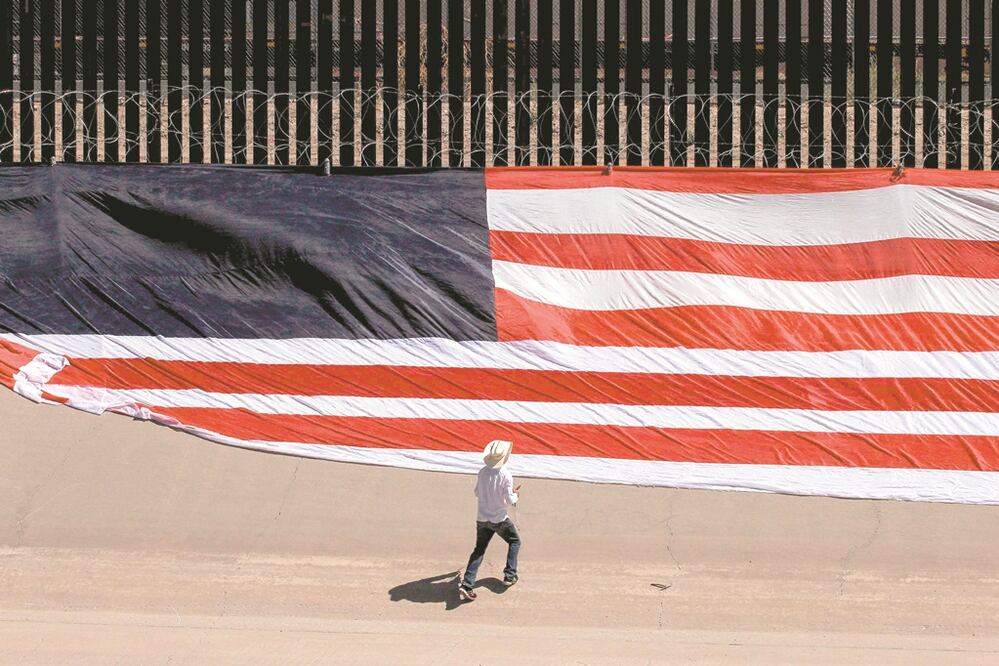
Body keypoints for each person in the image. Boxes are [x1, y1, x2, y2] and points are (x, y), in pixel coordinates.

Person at [458, 439, 522, 602]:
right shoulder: (505, 474)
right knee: (515, 541)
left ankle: (467, 584)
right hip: (499, 519)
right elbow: (509, 500)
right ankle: (510, 574)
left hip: (482, 518)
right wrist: (516, 496)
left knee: (479, 550)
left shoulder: (482, 472)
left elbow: (477, 492)